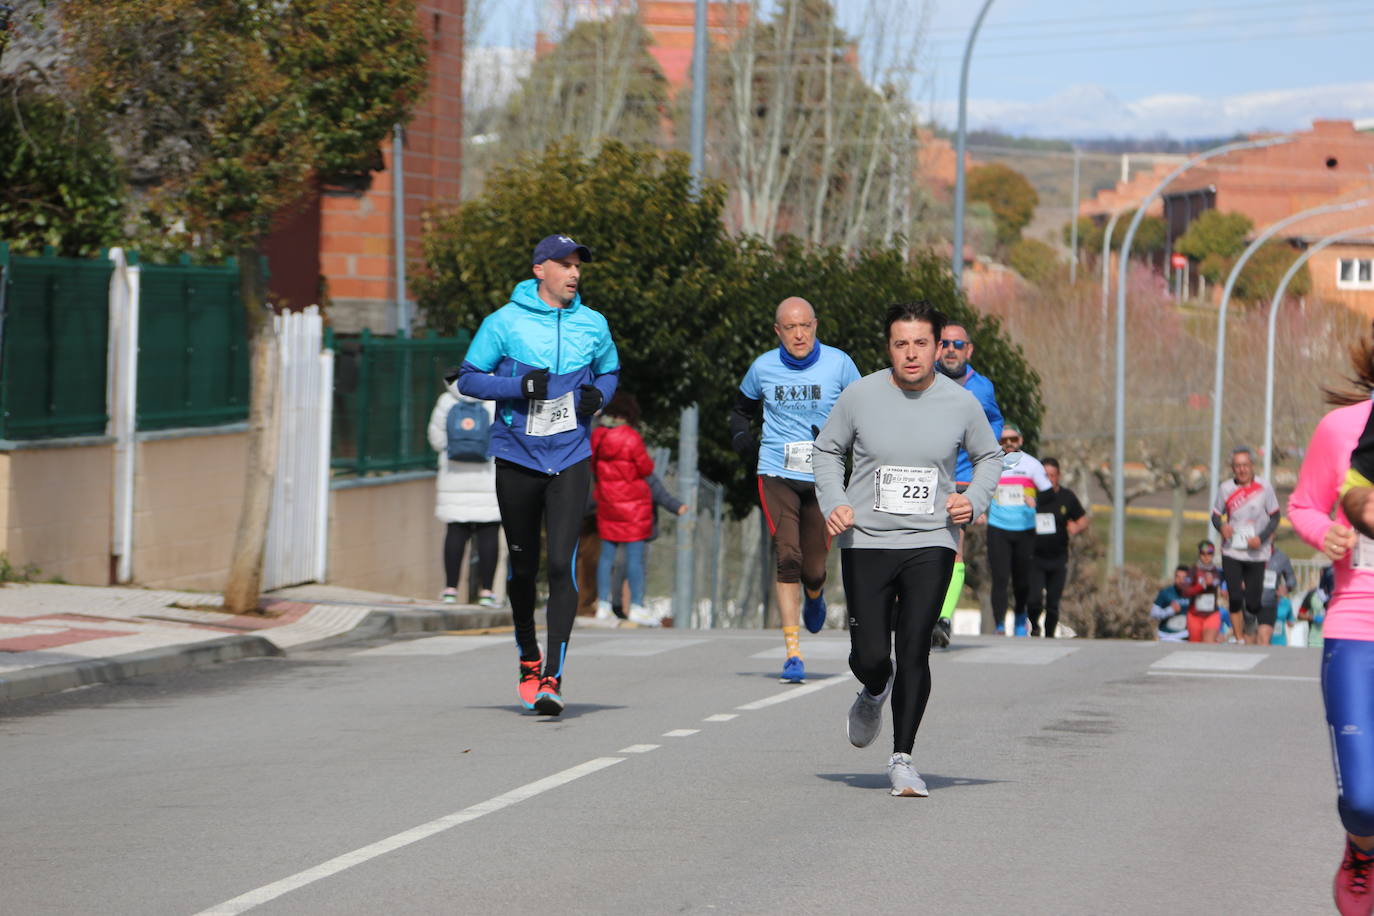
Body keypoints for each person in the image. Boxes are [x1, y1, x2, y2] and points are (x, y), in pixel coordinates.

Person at [814, 301, 1000, 797]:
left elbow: (989, 456)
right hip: (866, 540)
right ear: (889, 348)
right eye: (901, 344)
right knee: (871, 654)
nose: (911, 354)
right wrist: (834, 501)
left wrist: (973, 499)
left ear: (938, 348)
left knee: (915, 644)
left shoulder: (961, 403)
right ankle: (875, 687)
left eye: (922, 344)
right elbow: (827, 450)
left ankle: (902, 759)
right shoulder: (860, 395)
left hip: (931, 540)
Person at [456, 233, 619, 717]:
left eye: (578, 266)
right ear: (539, 270)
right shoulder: (503, 323)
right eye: (564, 264)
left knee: (561, 565)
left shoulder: (593, 323)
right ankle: (528, 656)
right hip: (518, 456)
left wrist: (599, 397)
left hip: (570, 456)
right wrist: (517, 385)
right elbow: (468, 377)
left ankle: (554, 677)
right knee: (524, 566)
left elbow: (609, 372)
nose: (574, 273)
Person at [1286, 332, 1374, 915]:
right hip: (1356, 626)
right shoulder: (1342, 431)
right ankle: (1362, 852)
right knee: (1365, 802)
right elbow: (1303, 505)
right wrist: (1326, 533)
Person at [729, 296, 861, 683]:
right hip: (776, 471)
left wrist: (847, 442)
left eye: (805, 325)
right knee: (787, 555)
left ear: (815, 325)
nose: (799, 334)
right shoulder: (763, 367)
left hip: (825, 476)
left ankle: (816, 594)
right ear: (778, 331)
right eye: (790, 327)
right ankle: (792, 652)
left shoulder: (839, 364)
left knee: (814, 568)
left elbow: (864, 410)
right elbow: (741, 409)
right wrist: (741, 436)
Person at [931, 321, 1003, 648]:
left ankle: (942, 618)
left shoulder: (981, 388)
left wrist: (983, 469)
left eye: (957, 345)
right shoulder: (920, 378)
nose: (950, 349)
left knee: (953, 549)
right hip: (924, 477)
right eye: (944, 343)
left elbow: (994, 424)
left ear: (968, 350)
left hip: (960, 480)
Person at [427, 382, 501, 608]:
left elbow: (436, 440)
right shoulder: (495, 398)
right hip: (488, 477)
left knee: (456, 533)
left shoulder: (447, 400)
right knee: (489, 535)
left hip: (453, 476)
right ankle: (487, 592)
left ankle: (450, 590)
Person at [590, 392, 660, 628]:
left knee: (606, 557)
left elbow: (592, 466)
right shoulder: (631, 437)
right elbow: (646, 467)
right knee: (634, 559)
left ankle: (603, 605)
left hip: (608, 503)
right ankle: (637, 606)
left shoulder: (598, 436)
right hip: (633, 505)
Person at [985, 422, 1053, 636]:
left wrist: (1036, 502)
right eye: (1004, 440)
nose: (1009, 444)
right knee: (1000, 578)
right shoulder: (991, 464)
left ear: (1020, 440)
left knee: (1022, 579)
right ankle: (999, 625)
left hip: (1025, 529)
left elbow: (1049, 493)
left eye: (1013, 439)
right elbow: (980, 489)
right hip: (998, 527)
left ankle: (1020, 618)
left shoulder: (1032, 465)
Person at [1211, 446, 1282, 645]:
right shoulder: (1225, 488)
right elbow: (1215, 516)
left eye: (1245, 465)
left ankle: (1249, 622)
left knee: (1252, 602)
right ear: (1232, 468)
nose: (1242, 470)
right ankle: (1239, 638)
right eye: (1237, 466)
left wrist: (1262, 537)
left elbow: (1276, 517)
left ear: (1252, 466)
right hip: (1232, 549)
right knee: (1234, 595)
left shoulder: (1265, 487)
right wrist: (1222, 526)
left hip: (1256, 551)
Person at [609, 472, 688, 620]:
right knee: (629, 566)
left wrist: (676, 506)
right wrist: (676, 506)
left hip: (629, 528)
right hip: (631, 528)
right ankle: (626, 605)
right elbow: (661, 495)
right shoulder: (641, 474)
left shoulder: (628, 473)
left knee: (623, 566)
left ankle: (624, 606)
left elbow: (660, 494)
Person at [1026, 457, 1088, 638]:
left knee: (1053, 602)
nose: (1049, 479)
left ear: (1058, 476)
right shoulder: (1033, 496)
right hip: (1035, 556)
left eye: (1052, 475)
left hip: (1058, 557)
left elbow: (1082, 519)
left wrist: (1076, 527)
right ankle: (1034, 625)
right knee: (1034, 600)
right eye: (1045, 475)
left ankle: (1050, 635)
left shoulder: (1066, 497)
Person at [1183, 540, 1225, 644]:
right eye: (1203, 553)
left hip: (1212, 614)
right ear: (1199, 554)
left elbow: (1229, 582)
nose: (1206, 556)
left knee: (1208, 642)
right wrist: (1202, 586)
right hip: (1195, 615)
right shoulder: (1192, 571)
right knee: (1195, 645)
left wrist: (1225, 591)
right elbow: (1185, 592)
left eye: (1209, 553)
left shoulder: (1218, 571)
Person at [1262, 545, 1298, 643]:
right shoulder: (1248, 554)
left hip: (1279, 642)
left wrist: (1287, 588)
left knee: (1264, 637)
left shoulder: (1286, 603)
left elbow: (1291, 622)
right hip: (1254, 602)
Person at [1149, 565, 1193, 641]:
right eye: (1178, 577)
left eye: (1184, 578)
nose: (1181, 580)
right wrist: (1170, 610)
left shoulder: (1193, 594)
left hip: (1184, 636)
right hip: (1165, 636)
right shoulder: (1165, 592)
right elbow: (1153, 613)